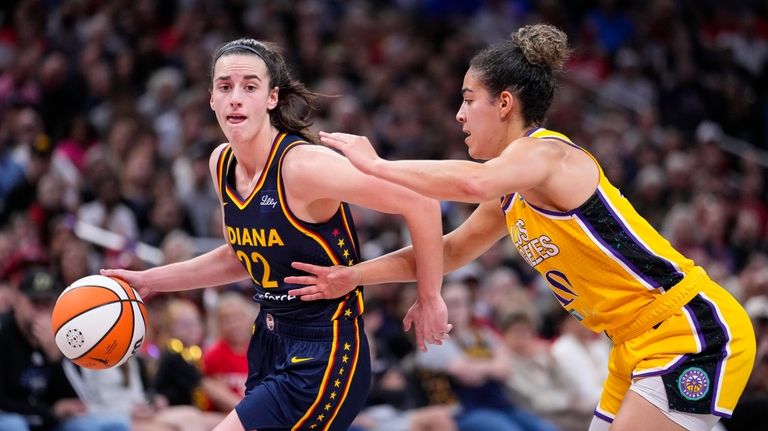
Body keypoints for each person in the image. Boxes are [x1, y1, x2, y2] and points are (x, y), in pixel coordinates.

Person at [285, 24, 757, 431]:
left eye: (469, 100)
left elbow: (472, 182)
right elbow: (445, 253)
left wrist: (378, 165)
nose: (459, 114)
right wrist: (351, 276)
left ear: (505, 103)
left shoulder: (548, 153)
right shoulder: (508, 195)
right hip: (634, 343)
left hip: (688, 328)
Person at [101, 38, 449, 431]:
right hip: (268, 341)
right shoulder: (222, 163)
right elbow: (238, 257)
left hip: (325, 351)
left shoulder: (303, 167)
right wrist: (150, 280)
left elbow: (421, 203)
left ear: (271, 98)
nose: (235, 98)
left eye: (250, 87)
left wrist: (429, 296)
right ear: (211, 99)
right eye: (224, 87)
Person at [0, 266, 129, 431]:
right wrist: (50, 411)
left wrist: (56, 357)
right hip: (14, 417)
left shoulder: (61, 335)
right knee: (15, 426)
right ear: (18, 301)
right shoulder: (4, 333)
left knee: (115, 425)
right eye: (34, 302)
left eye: (46, 303)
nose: (41, 310)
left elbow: (78, 399)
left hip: (47, 419)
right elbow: (2, 401)